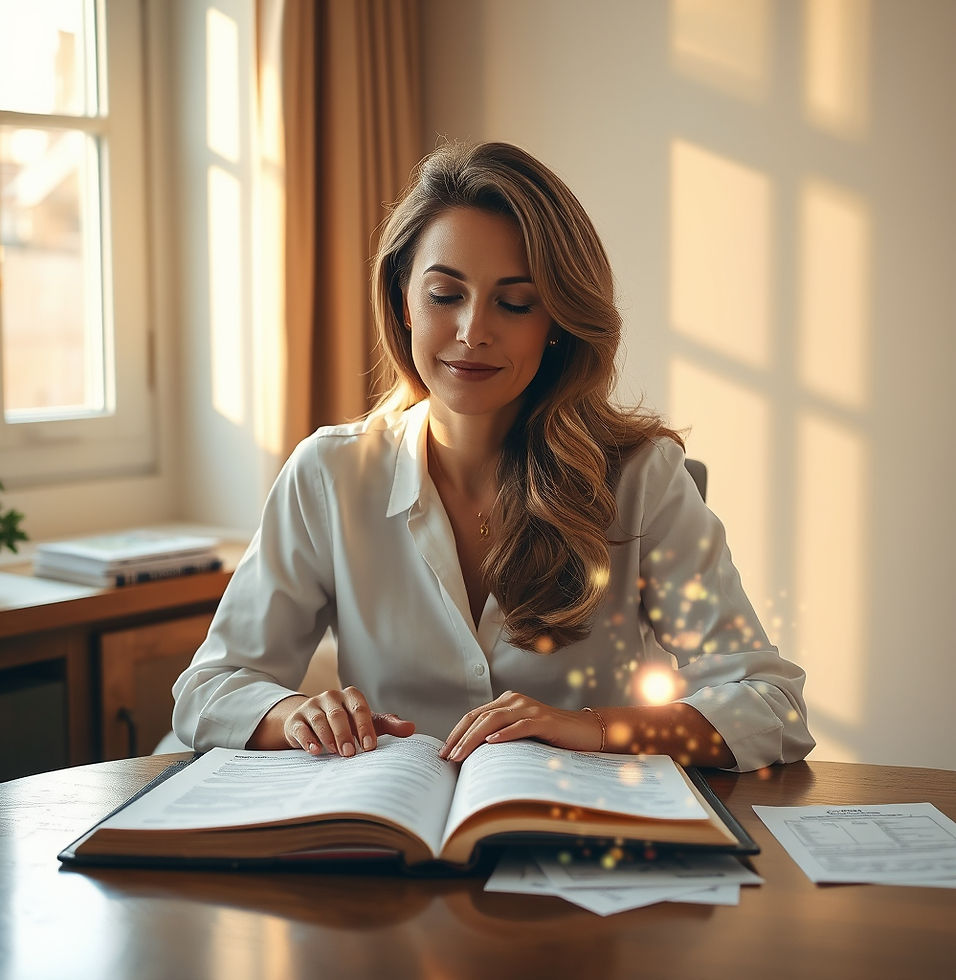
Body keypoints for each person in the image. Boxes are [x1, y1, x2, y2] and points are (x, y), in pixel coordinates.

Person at [172, 141, 814, 772]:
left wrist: (583, 728)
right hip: (390, 845)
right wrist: (297, 715)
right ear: (403, 300)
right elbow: (210, 689)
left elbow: (773, 708)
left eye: (515, 303)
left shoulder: (642, 479)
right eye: (445, 295)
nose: (473, 331)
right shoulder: (329, 474)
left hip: (581, 843)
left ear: (557, 321)